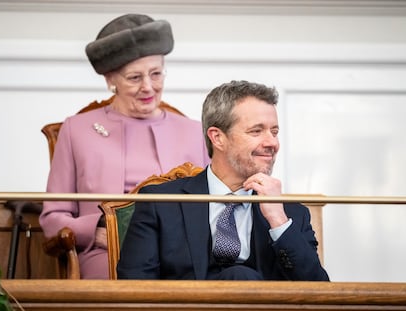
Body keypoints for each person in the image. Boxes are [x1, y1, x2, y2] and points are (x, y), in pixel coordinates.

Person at [39, 14, 210, 279]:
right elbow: (53, 217)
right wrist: (94, 231)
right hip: (108, 254)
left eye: (155, 74)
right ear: (110, 80)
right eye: (134, 77)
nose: (148, 87)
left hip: (182, 257)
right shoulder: (76, 130)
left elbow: (217, 206)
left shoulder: (193, 131)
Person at [117, 80, 329, 281]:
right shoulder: (161, 202)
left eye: (274, 132)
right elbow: (134, 288)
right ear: (218, 137)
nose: (272, 142)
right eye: (256, 131)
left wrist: (279, 223)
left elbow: (319, 294)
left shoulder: (292, 214)